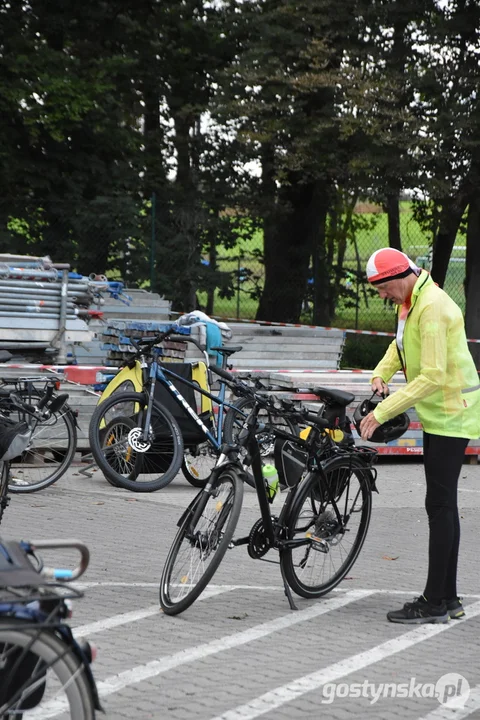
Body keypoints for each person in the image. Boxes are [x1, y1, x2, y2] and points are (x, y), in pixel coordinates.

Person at [360, 248, 480, 624]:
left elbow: (433, 376)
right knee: (441, 505)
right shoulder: (414, 300)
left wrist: (383, 411)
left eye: (381, 289)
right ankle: (449, 598)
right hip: (444, 413)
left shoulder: (431, 309)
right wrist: (382, 372)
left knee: (439, 506)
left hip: (450, 413)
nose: (382, 296)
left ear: (396, 278)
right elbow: (399, 346)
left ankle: (433, 602)